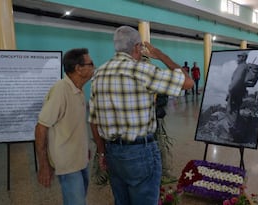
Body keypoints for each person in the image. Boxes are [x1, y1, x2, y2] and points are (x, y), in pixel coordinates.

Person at [89, 25, 193, 205]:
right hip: (140, 153)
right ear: (138, 47)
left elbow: (94, 120)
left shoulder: (99, 73)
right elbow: (188, 82)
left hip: (113, 152)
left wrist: (102, 153)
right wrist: (161, 55)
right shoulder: (141, 70)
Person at [34, 48, 95, 205]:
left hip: (80, 159)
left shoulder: (78, 90)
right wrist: (43, 165)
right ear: (78, 69)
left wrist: (85, 147)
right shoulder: (61, 90)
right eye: (91, 64)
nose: (94, 67)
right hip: (67, 164)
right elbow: (41, 127)